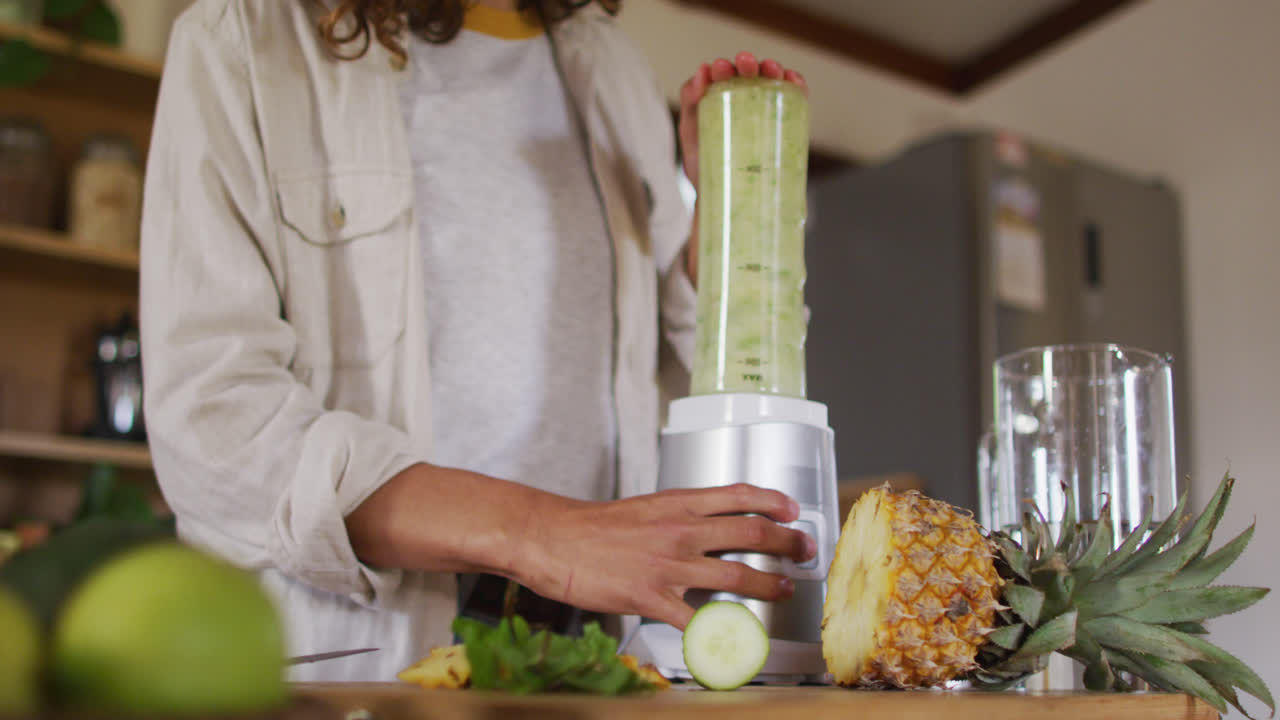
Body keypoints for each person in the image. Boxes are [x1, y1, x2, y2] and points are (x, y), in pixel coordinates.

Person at [139, 0, 812, 681]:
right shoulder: (243, 37)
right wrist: (539, 533)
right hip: (366, 651)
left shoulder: (615, 67)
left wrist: (731, 216)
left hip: (603, 641)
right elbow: (212, 419)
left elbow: (669, 371)